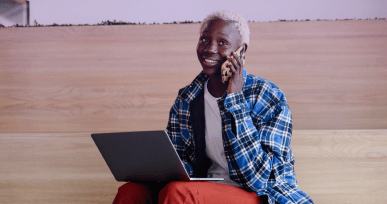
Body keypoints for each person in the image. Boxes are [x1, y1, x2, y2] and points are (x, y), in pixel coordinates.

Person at [113, 10, 314, 204]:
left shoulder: (268, 96)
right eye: (205, 39)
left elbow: (259, 179)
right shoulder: (187, 98)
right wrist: (154, 167)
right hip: (204, 189)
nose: (210, 48)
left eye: (223, 42)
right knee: (130, 192)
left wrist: (234, 99)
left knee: (178, 194)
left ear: (241, 50)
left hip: (260, 194)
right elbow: (181, 164)